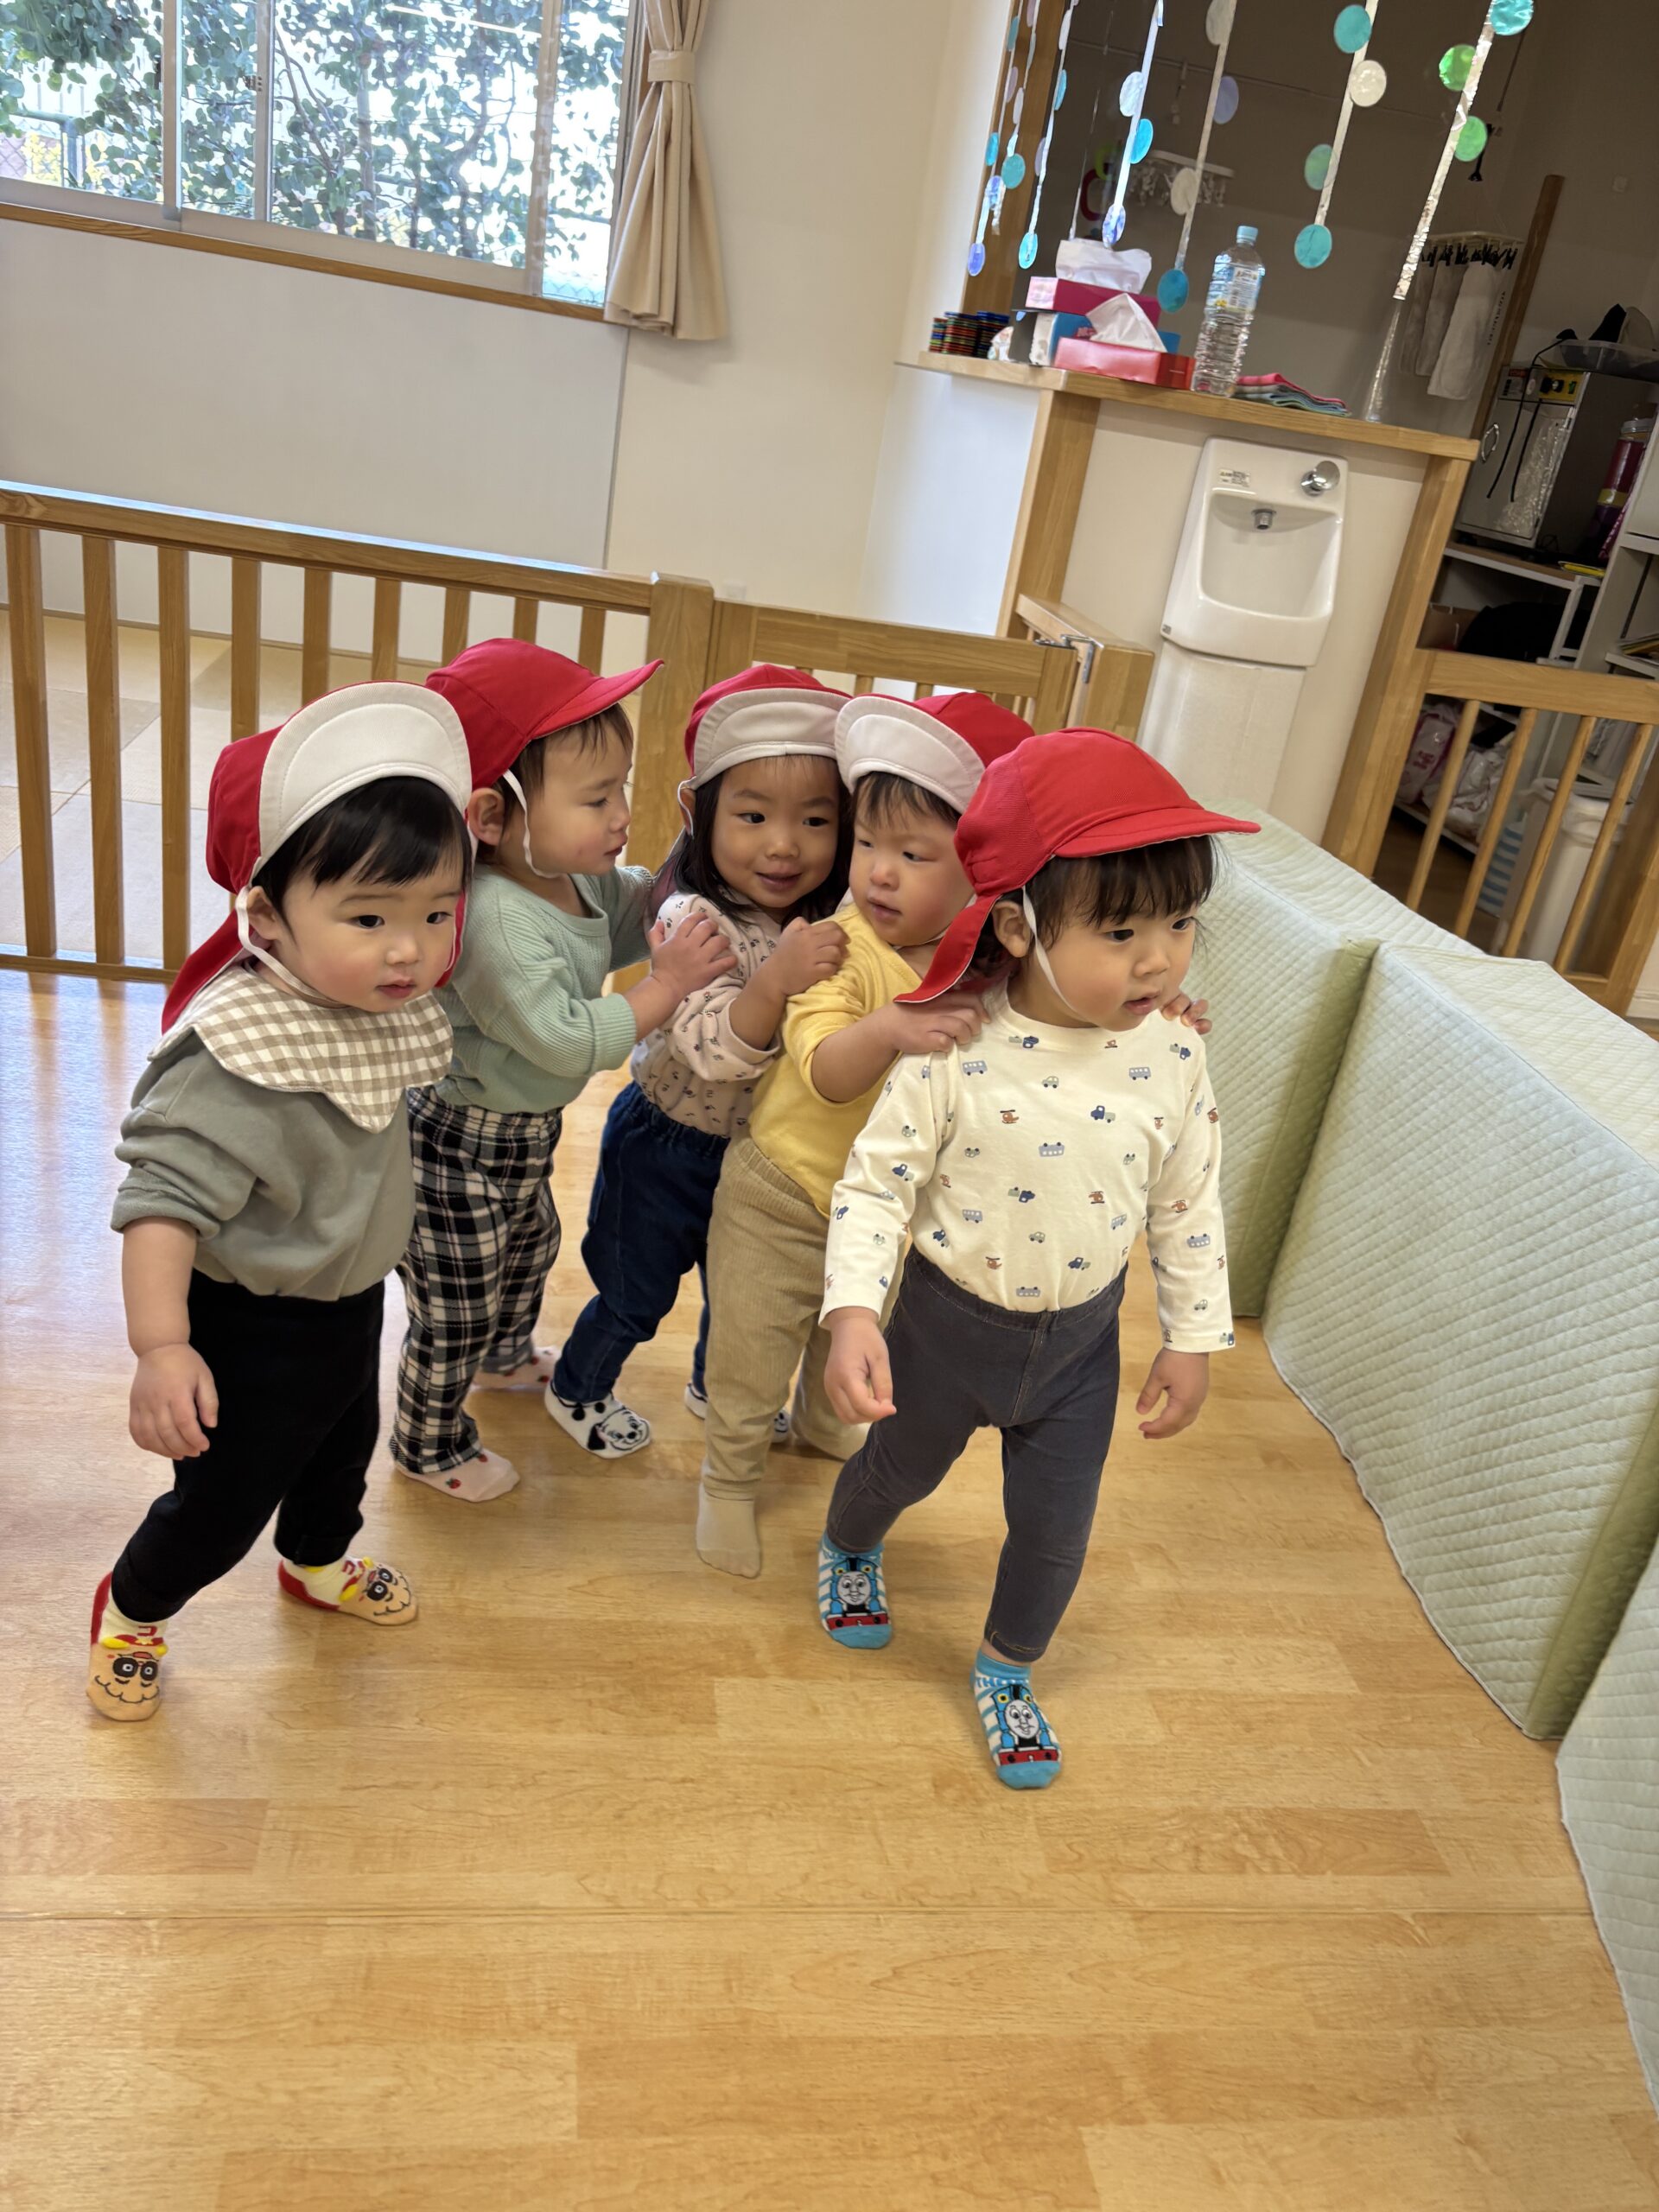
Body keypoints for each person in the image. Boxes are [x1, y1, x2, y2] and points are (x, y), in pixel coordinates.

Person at [817, 730, 1257, 1789]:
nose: (1158, 960)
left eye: (1180, 923)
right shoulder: (952, 1045)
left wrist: (1194, 1337)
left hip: (1080, 1351)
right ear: (1018, 925)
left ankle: (1008, 1668)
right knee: (898, 1471)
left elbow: (1188, 1199)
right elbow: (873, 1186)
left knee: (1057, 1533)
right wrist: (854, 1313)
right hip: (943, 1331)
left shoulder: (1176, 1051)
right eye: (1121, 931)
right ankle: (847, 1548)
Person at [88, 683, 475, 1721]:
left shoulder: (372, 1003)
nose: (409, 947)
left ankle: (315, 1560)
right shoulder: (236, 1053)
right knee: (224, 1497)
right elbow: (161, 1202)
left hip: (348, 1301)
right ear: (265, 915)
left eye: (435, 912)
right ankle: (133, 1606)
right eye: (369, 916)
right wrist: (162, 1347)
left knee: (341, 1450)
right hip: (250, 1322)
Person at [694, 690, 1033, 1580]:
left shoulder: (992, 970)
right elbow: (824, 1070)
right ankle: (728, 1480)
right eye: (869, 844)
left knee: (843, 1344)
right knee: (749, 1357)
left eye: (913, 855)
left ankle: (818, 1427)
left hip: (882, 1216)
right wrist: (888, 1028)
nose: (880, 872)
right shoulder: (840, 946)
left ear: (984, 878)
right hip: (777, 1195)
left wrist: (1163, 1012)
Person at [391, 639, 735, 1500]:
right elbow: (568, 1040)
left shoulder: (575, 879)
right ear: (492, 816)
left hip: (520, 1132)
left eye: (622, 789)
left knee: (529, 1251)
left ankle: (504, 1356)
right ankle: (426, 1442)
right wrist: (665, 987)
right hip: (455, 1144)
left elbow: (636, 910)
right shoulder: (497, 920)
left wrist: (706, 844)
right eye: (595, 798)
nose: (620, 814)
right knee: (456, 1302)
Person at [550, 665, 854, 1441]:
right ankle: (577, 1389)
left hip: (762, 1155)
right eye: (752, 815)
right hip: (665, 1145)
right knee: (634, 1292)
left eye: (816, 821)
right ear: (700, 813)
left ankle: (712, 1391)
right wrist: (776, 980)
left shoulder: (832, 918)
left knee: (741, 1293)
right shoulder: (693, 917)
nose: (783, 845)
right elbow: (715, 1048)